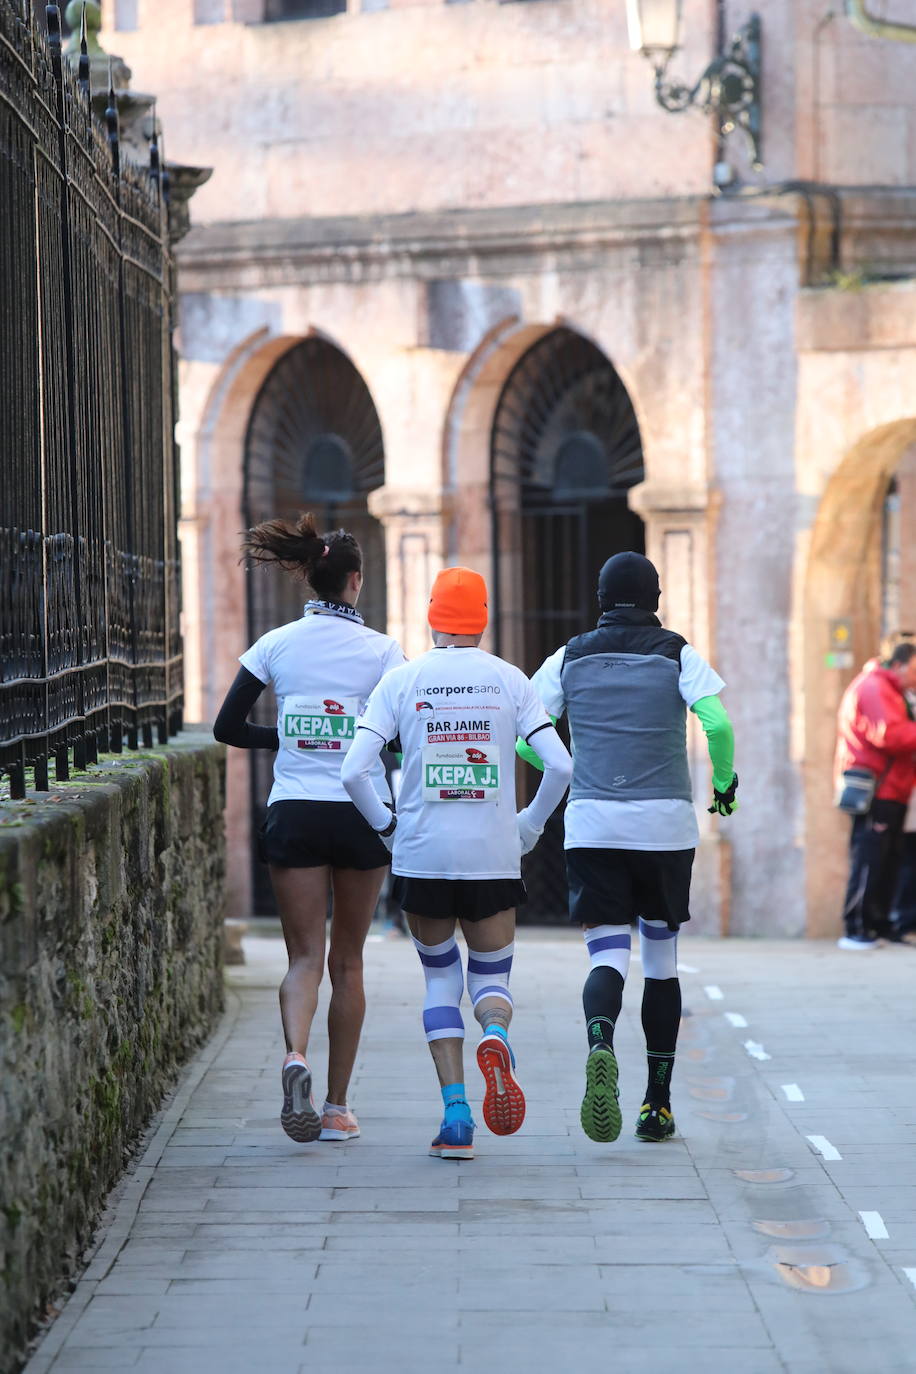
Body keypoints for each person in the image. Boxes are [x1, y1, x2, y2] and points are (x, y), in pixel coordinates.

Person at [341, 567, 572, 1160]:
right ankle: (494, 1034)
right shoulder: (510, 681)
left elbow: (353, 771)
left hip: (423, 856)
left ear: (432, 615)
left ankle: (457, 1117)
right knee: (491, 980)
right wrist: (528, 825)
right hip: (493, 857)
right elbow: (561, 767)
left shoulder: (403, 681)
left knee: (440, 977)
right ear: (484, 617)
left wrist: (388, 829)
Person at [520, 551, 736, 1145]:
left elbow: (526, 734)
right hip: (665, 828)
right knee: (661, 965)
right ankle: (657, 1106)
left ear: (600, 596)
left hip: (593, 824)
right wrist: (722, 785)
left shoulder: (569, 656)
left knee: (606, 958)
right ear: (656, 598)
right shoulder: (676, 652)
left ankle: (598, 1044)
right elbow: (716, 725)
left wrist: (563, 767)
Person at [213, 513, 405, 1143]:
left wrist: (288, 737)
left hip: (293, 809)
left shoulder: (276, 644)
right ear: (353, 581)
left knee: (303, 957)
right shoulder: (382, 652)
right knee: (348, 963)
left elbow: (227, 728)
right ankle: (337, 1107)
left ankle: (295, 1055)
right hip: (360, 814)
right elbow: (400, 740)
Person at [835, 639, 916, 950]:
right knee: (869, 858)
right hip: (877, 789)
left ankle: (878, 925)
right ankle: (856, 928)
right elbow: (889, 734)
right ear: (897, 664)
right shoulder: (874, 686)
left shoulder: (891, 689)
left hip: (893, 787)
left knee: (888, 859)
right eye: (914, 670)